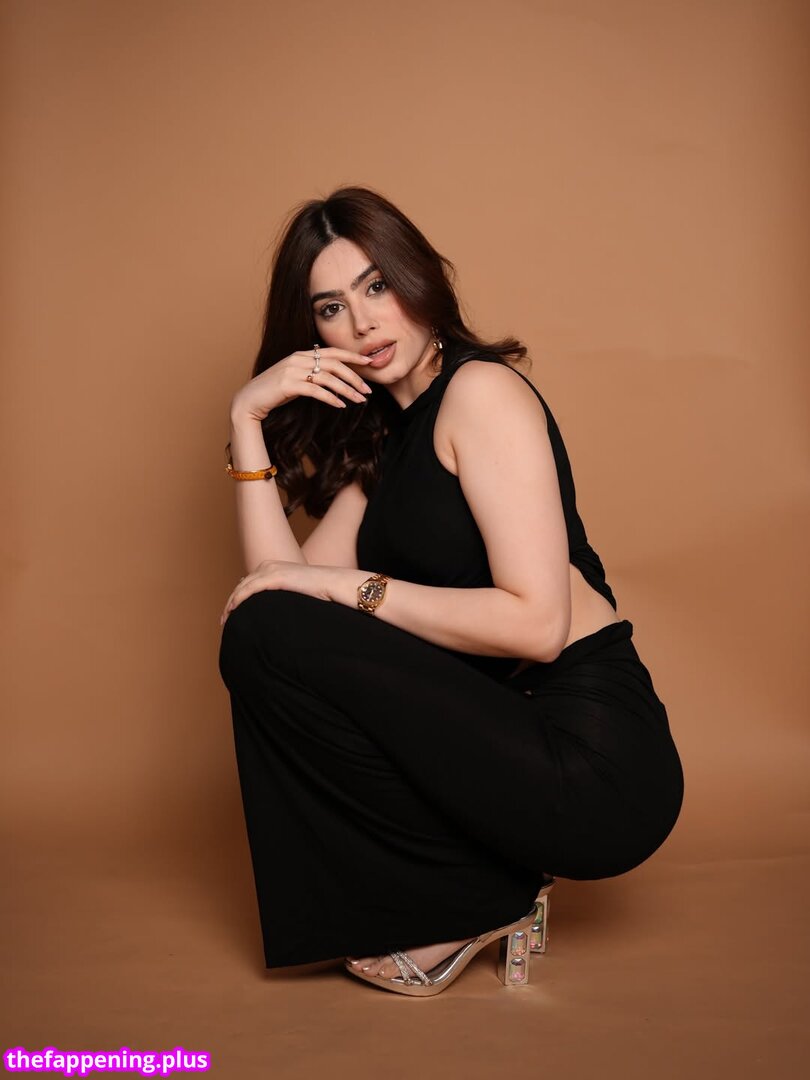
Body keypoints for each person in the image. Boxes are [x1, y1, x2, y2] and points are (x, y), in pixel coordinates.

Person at [217, 185, 684, 997]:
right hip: (498, 744)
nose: (363, 323)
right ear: (314, 333)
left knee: (284, 621)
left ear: (419, 278)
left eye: (376, 286)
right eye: (332, 307)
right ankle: (475, 890)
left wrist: (354, 587)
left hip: (593, 758)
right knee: (261, 634)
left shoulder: (480, 393)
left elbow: (539, 627)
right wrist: (247, 421)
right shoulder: (381, 443)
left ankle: (471, 900)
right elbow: (273, 600)